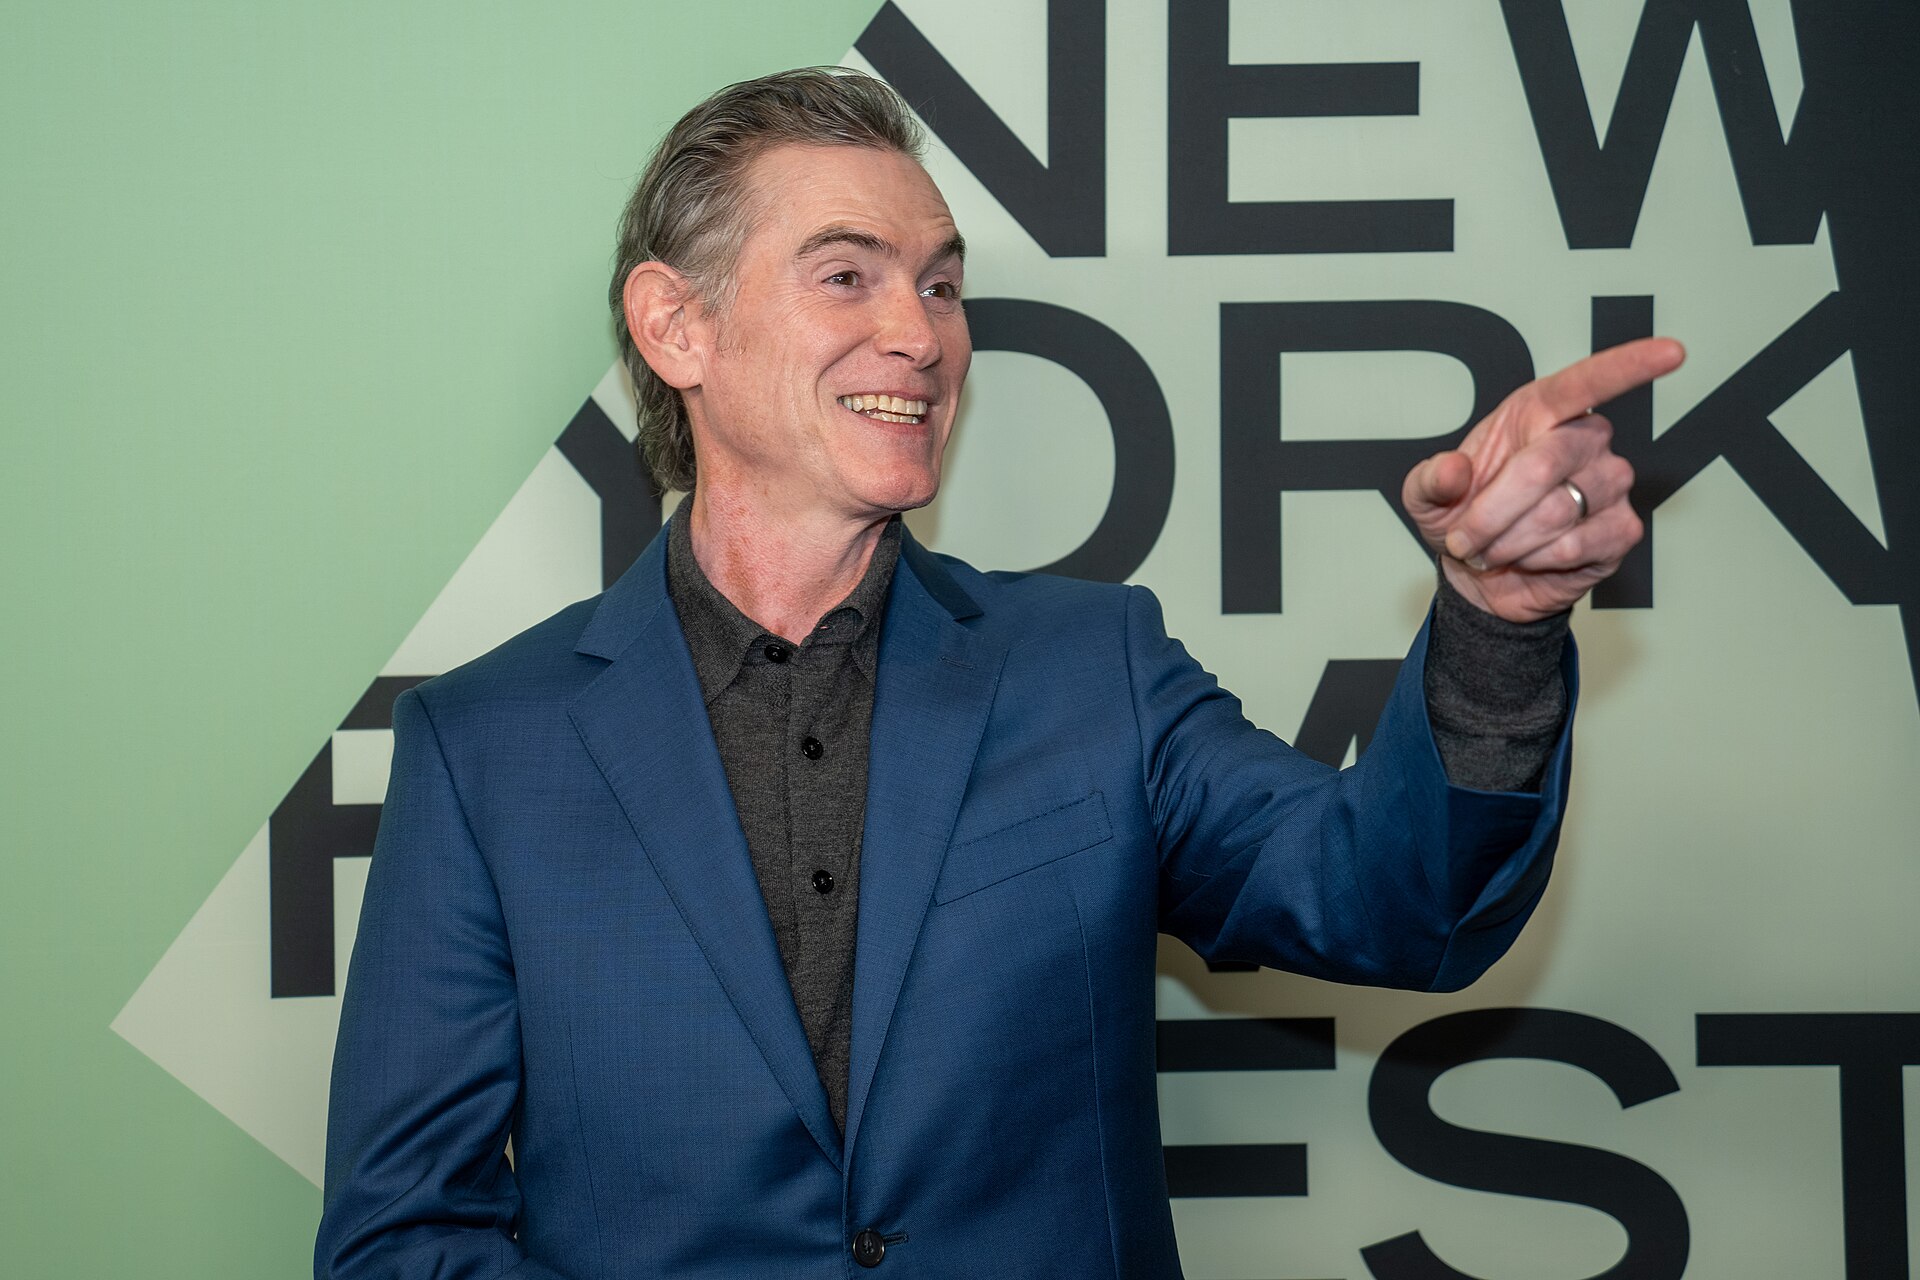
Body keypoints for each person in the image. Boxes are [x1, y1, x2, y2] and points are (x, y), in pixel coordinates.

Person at [316, 68, 1681, 1279]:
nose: (922, 331)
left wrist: (1497, 620)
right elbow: (400, 1241)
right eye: (848, 274)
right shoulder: (487, 744)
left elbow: (1387, 906)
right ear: (678, 328)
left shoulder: (1097, 670)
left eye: (943, 282)